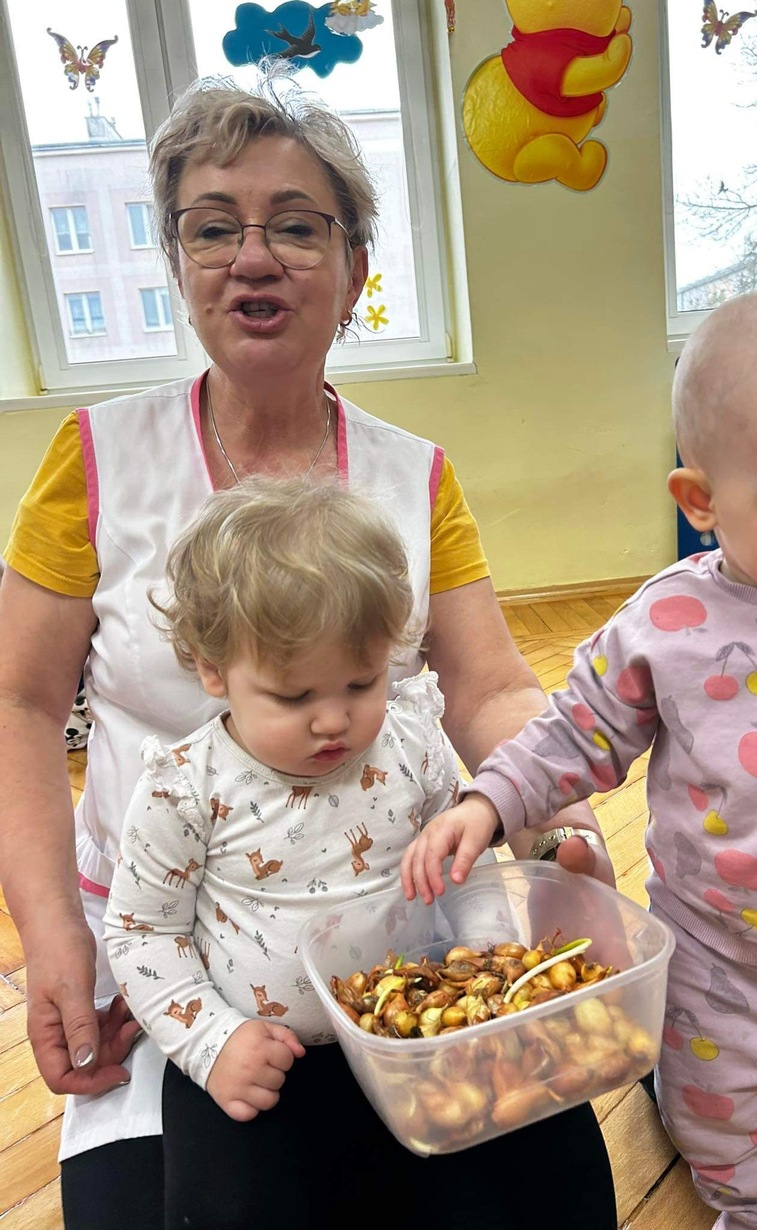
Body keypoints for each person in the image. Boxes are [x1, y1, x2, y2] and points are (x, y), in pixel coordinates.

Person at [0, 73, 614, 1230]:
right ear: (177, 262)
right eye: (211, 228)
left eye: (294, 226)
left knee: (549, 1198)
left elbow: (487, 685)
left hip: (399, 930)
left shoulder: (412, 474)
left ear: (354, 268)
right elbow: (20, 705)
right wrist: (53, 936)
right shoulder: (93, 460)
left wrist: (559, 820)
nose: (252, 256)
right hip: (174, 959)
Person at [402, 287, 757, 1230]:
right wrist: (490, 801)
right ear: (701, 502)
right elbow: (573, 732)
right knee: (722, 1144)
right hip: (717, 968)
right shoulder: (667, 626)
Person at [104, 476, 479, 1216]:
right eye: (294, 696)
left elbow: (464, 867)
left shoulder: (412, 742)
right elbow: (142, 931)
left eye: (361, 683)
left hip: (419, 1033)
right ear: (213, 669)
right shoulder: (185, 788)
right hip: (260, 1056)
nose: (333, 720)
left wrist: (486, 977)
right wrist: (212, 1044)